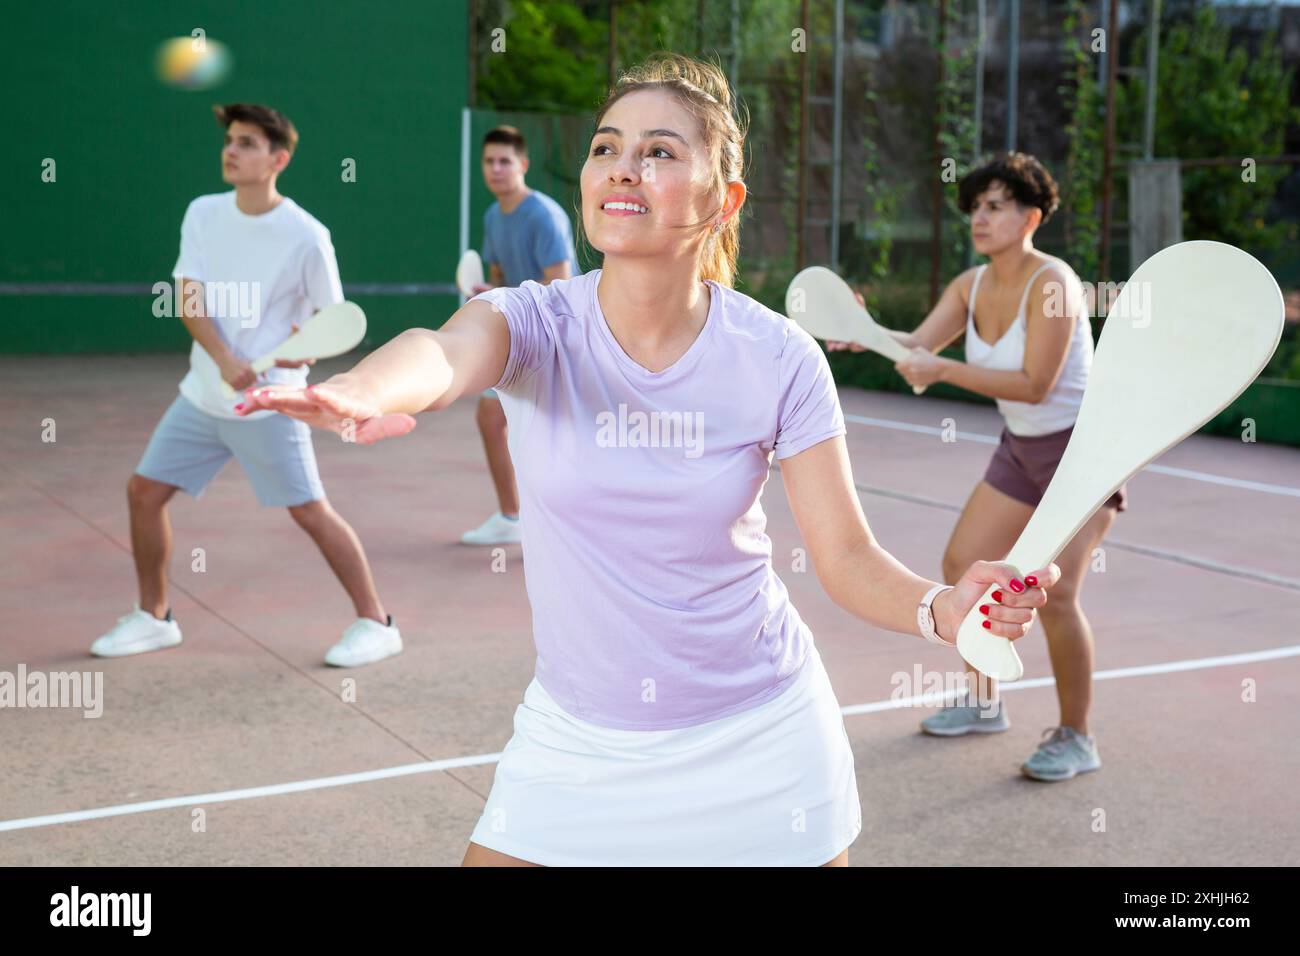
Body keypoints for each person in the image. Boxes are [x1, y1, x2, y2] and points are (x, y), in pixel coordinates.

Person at [237, 56, 1060, 865]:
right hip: (578, 736)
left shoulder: (779, 358)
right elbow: (444, 351)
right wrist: (367, 389)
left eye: (660, 151)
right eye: (605, 147)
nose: (622, 166)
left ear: (721, 200)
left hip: (762, 734)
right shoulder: (534, 324)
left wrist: (943, 608)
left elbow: (844, 556)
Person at [832, 152, 1125, 781]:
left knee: (1057, 595)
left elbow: (1036, 384)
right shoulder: (969, 284)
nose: (980, 218)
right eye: (975, 207)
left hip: (1082, 454)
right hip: (1021, 451)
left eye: (995, 205)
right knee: (963, 564)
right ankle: (984, 703)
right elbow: (916, 347)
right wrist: (862, 331)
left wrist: (942, 371)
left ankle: (1077, 736)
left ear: (1032, 216)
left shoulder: (1053, 284)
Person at [91, 103, 401, 668]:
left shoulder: (307, 235)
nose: (231, 150)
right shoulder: (203, 213)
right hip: (203, 396)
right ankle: (155, 617)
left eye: (247, 143)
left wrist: (297, 350)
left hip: (271, 405)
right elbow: (189, 296)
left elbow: (331, 324)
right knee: (144, 492)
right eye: (230, 140)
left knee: (310, 510)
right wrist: (225, 357)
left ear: (278, 158)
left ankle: (376, 622)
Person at [460, 125, 580, 546]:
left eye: (504, 161)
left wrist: (501, 293)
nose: (496, 169)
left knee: (564, 433)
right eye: (489, 161)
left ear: (522, 165)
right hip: (517, 333)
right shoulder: (494, 216)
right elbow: (497, 277)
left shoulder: (544, 215)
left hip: (560, 337)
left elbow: (560, 285)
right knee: (490, 417)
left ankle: (573, 526)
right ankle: (512, 517)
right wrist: (486, 293)